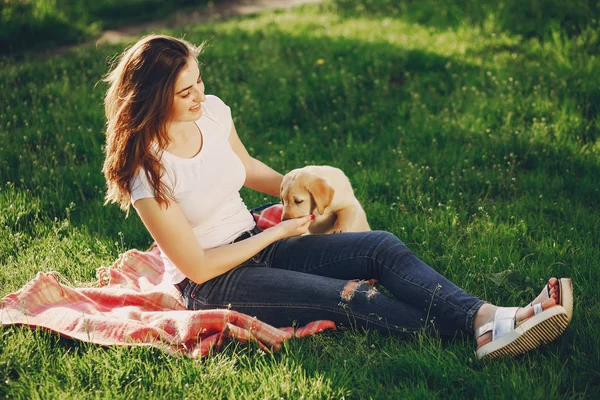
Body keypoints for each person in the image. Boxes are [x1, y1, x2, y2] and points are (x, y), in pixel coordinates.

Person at [101, 34, 571, 360]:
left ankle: (488, 317)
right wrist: (280, 230)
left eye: (199, 80)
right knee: (349, 297)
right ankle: (487, 329)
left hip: (258, 241)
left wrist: (299, 186)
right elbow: (200, 267)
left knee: (380, 246)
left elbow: (245, 169)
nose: (200, 95)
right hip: (214, 283)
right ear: (152, 99)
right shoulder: (147, 171)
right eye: (186, 92)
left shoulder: (213, 114)